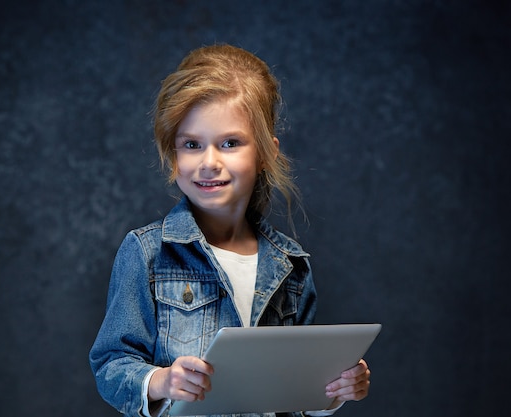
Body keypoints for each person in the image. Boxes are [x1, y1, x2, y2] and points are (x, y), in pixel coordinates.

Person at [89, 44, 371, 417]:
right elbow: (112, 364)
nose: (209, 162)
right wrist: (161, 382)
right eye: (192, 144)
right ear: (174, 155)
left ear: (266, 153)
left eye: (230, 143)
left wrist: (336, 388)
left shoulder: (291, 265)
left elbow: (297, 391)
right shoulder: (147, 253)